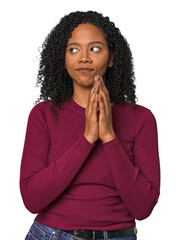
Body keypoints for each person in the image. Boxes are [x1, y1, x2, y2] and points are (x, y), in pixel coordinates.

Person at [20, 11, 160, 240]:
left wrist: (108, 136)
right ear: (63, 58)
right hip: (52, 234)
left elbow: (143, 208)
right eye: (73, 49)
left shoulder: (141, 119)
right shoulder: (44, 115)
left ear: (112, 58)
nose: (84, 57)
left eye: (95, 48)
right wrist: (87, 138)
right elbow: (31, 199)